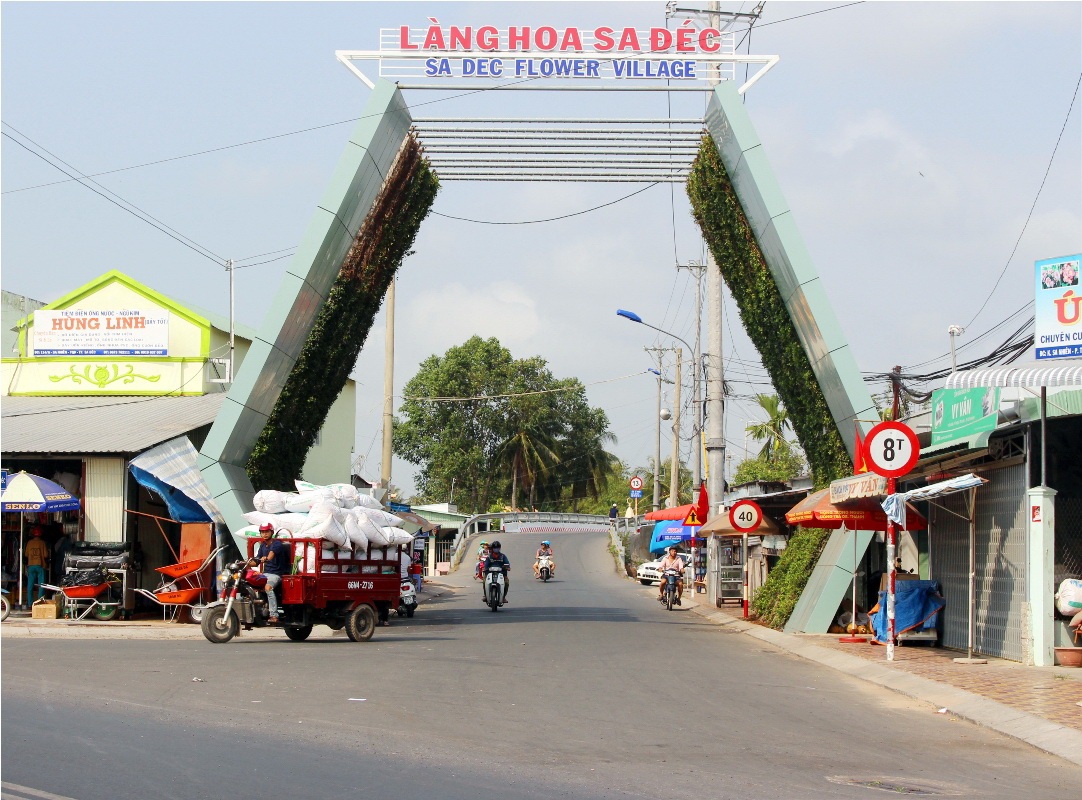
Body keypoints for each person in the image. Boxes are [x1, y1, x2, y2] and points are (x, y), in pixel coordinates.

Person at [253, 523, 289, 624]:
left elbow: (270, 555)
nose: (264, 534)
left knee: (268, 587)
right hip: (265, 573)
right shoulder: (262, 545)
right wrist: (244, 562)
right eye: (262, 532)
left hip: (276, 574)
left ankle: (274, 615)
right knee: (250, 585)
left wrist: (266, 558)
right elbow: (256, 561)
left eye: (267, 532)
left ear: (271, 532)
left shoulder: (277, 544)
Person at [25, 527, 50, 608]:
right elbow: (46, 555)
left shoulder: (29, 542)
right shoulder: (42, 543)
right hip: (40, 565)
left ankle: (30, 604)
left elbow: (26, 554)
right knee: (41, 585)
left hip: (31, 565)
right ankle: (39, 603)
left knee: (30, 585)